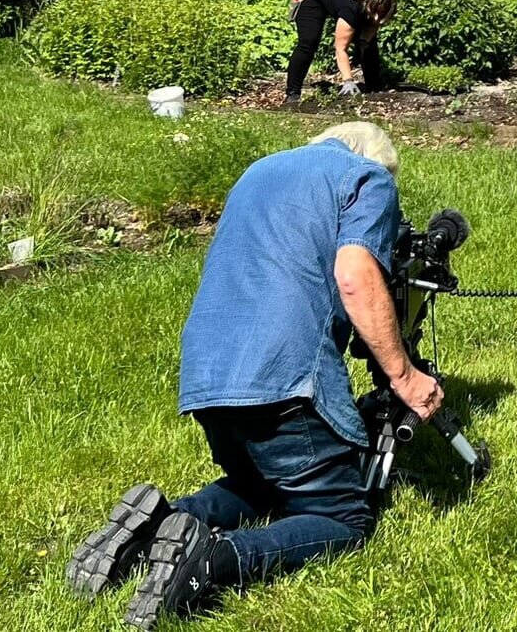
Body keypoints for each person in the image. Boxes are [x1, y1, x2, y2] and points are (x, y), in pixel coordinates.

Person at [66, 122, 435, 628]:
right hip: (280, 373)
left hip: (206, 371)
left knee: (262, 481)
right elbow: (354, 277)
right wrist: (405, 376)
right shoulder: (366, 178)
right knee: (342, 518)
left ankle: (158, 524)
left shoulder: (259, 171)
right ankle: (214, 562)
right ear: (375, 160)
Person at [283, 0, 396, 102]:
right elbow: (341, 48)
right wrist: (348, 80)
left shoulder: (384, 0)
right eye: (375, 14)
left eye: (381, 14)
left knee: (368, 45)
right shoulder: (352, 8)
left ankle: (374, 88)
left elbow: (374, 24)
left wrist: (364, 42)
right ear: (368, 4)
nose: (377, 18)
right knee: (309, 42)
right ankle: (292, 94)